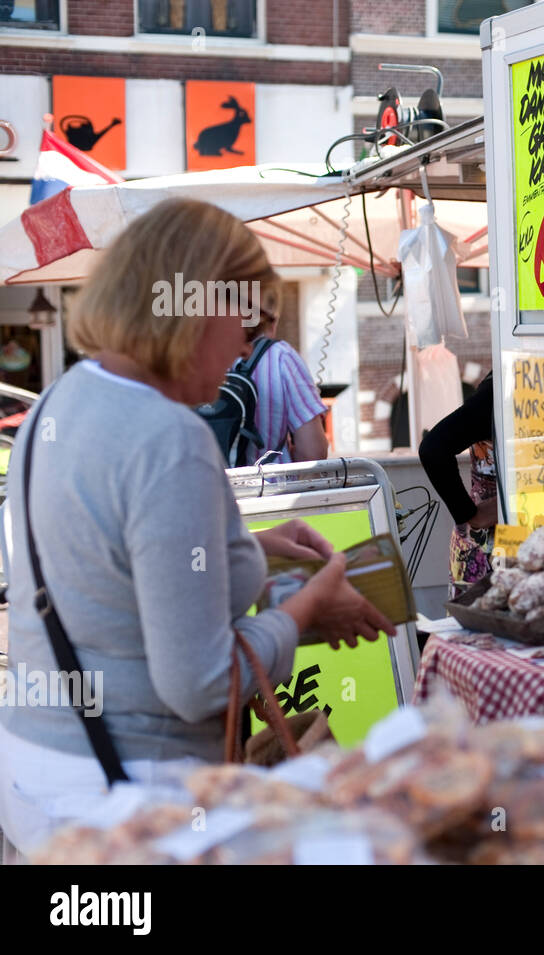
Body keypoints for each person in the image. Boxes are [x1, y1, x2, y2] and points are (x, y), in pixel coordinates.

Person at [0, 198, 395, 857]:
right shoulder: (169, 436)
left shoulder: (61, 401)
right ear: (197, 305)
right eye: (243, 315)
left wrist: (252, 549)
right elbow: (202, 681)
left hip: (38, 773)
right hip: (130, 802)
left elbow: (110, 563)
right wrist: (304, 610)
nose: (248, 342)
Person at [418, 372, 497, 587]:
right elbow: (433, 449)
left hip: (493, 543)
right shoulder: (501, 389)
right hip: (490, 546)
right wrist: (471, 514)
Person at [238, 307, 329, 465]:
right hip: (270, 485)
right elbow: (313, 452)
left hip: (216, 484)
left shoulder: (202, 354)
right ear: (272, 319)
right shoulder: (282, 357)